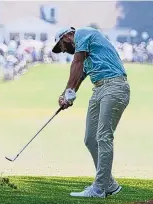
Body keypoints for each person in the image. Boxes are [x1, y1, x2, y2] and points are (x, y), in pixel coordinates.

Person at [52, 27, 130, 198]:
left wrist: (69, 93)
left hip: (115, 86)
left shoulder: (83, 33)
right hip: (99, 89)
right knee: (90, 139)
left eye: (62, 46)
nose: (64, 51)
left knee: (103, 137)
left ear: (67, 36)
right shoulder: (87, 56)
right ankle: (110, 184)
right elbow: (78, 77)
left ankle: (99, 188)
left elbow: (77, 63)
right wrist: (67, 95)